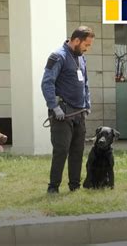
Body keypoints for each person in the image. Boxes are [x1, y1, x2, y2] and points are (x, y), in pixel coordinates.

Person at [41, 26, 94, 193]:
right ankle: (53, 187)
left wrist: (87, 103)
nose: (87, 48)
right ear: (76, 41)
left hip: (79, 113)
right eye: (86, 45)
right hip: (62, 113)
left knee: (77, 151)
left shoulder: (81, 58)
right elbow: (47, 83)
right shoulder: (58, 56)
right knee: (61, 151)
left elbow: (85, 83)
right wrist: (54, 107)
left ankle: (75, 186)